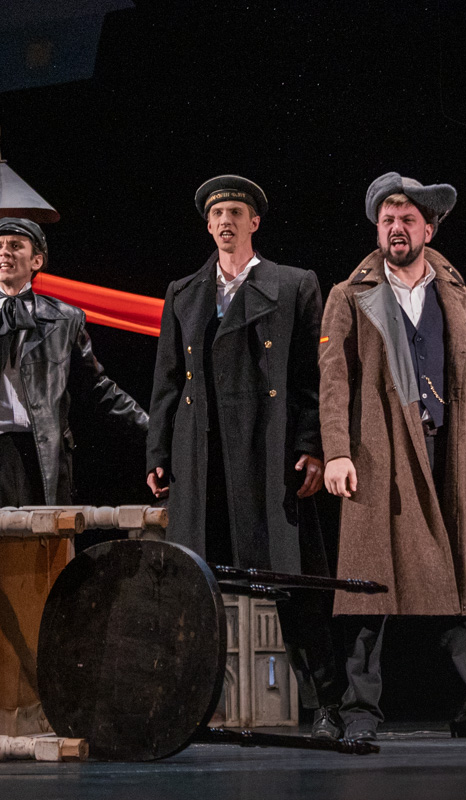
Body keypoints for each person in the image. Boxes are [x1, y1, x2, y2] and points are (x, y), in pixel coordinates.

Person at [318, 172, 466, 742]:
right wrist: (336, 452)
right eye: (387, 220)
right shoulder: (348, 294)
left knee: (460, 579)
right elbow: (334, 381)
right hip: (378, 453)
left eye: (407, 219)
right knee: (368, 581)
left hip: (448, 447)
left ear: (428, 229)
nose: (396, 228)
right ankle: (360, 711)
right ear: (377, 230)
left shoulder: (457, 294)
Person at [146, 175, 345, 740]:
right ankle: (187, 709)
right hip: (202, 455)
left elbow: (311, 377)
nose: (225, 221)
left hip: (270, 452)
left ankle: (325, 705)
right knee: (194, 587)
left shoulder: (294, 283)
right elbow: (167, 380)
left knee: (293, 581)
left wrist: (312, 446)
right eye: (217, 214)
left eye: (235, 212)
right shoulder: (184, 291)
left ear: (254, 222)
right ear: (208, 226)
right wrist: (158, 449)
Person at [0, 217, 148, 505]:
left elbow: (98, 388)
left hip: (43, 458)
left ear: (36, 261)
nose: (4, 252)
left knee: (47, 534)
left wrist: (152, 429)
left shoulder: (65, 320)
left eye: (16, 246)